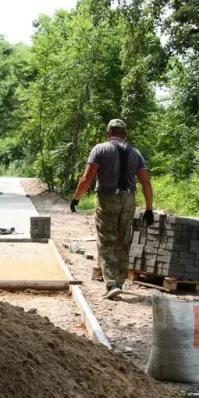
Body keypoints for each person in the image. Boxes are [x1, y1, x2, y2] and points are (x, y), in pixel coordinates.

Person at [70, 118, 156, 300]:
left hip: (107, 198)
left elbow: (87, 177)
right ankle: (120, 279)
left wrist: (76, 198)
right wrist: (149, 209)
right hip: (128, 199)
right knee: (123, 239)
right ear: (124, 133)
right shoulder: (135, 153)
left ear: (108, 133)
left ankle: (112, 284)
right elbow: (146, 182)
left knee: (106, 239)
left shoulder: (100, 149)